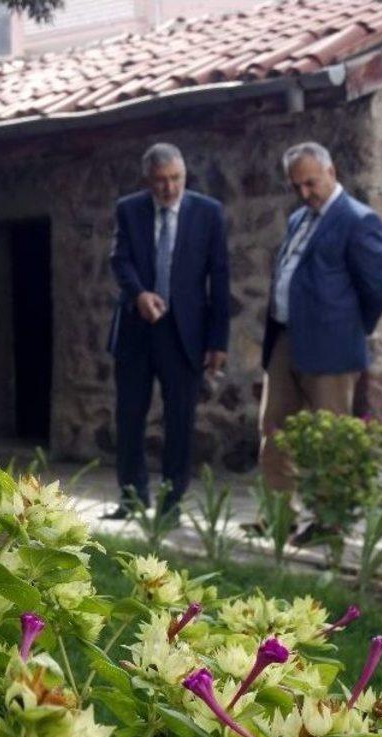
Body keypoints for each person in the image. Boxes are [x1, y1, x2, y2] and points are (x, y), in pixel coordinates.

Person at [104, 142, 230, 519]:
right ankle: (131, 498)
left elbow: (219, 278)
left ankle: (171, 504)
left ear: (184, 175)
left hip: (185, 334)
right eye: (160, 181)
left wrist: (218, 341)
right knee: (129, 416)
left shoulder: (209, 213)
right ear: (148, 180)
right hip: (136, 329)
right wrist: (139, 293)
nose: (169, 188)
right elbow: (120, 259)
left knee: (179, 421)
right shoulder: (129, 210)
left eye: (176, 179)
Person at [260, 141, 382, 491]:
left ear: (331, 172)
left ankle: (329, 522)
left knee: (329, 435)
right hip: (285, 338)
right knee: (274, 428)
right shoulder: (298, 218)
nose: (304, 193)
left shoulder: (359, 220)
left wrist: (346, 329)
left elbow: (375, 292)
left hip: (332, 345)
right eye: (296, 186)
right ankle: (279, 515)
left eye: (311, 183)